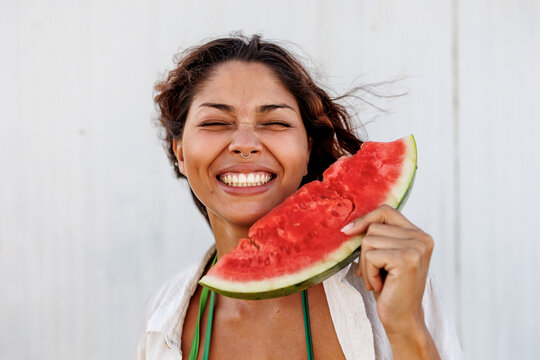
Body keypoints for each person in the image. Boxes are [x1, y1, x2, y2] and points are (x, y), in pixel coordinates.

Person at [136, 34, 461, 359]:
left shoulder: (392, 285)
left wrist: (405, 326)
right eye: (216, 122)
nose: (245, 143)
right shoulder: (164, 318)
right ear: (180, 151)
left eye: (276, 122)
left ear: (306, 148)